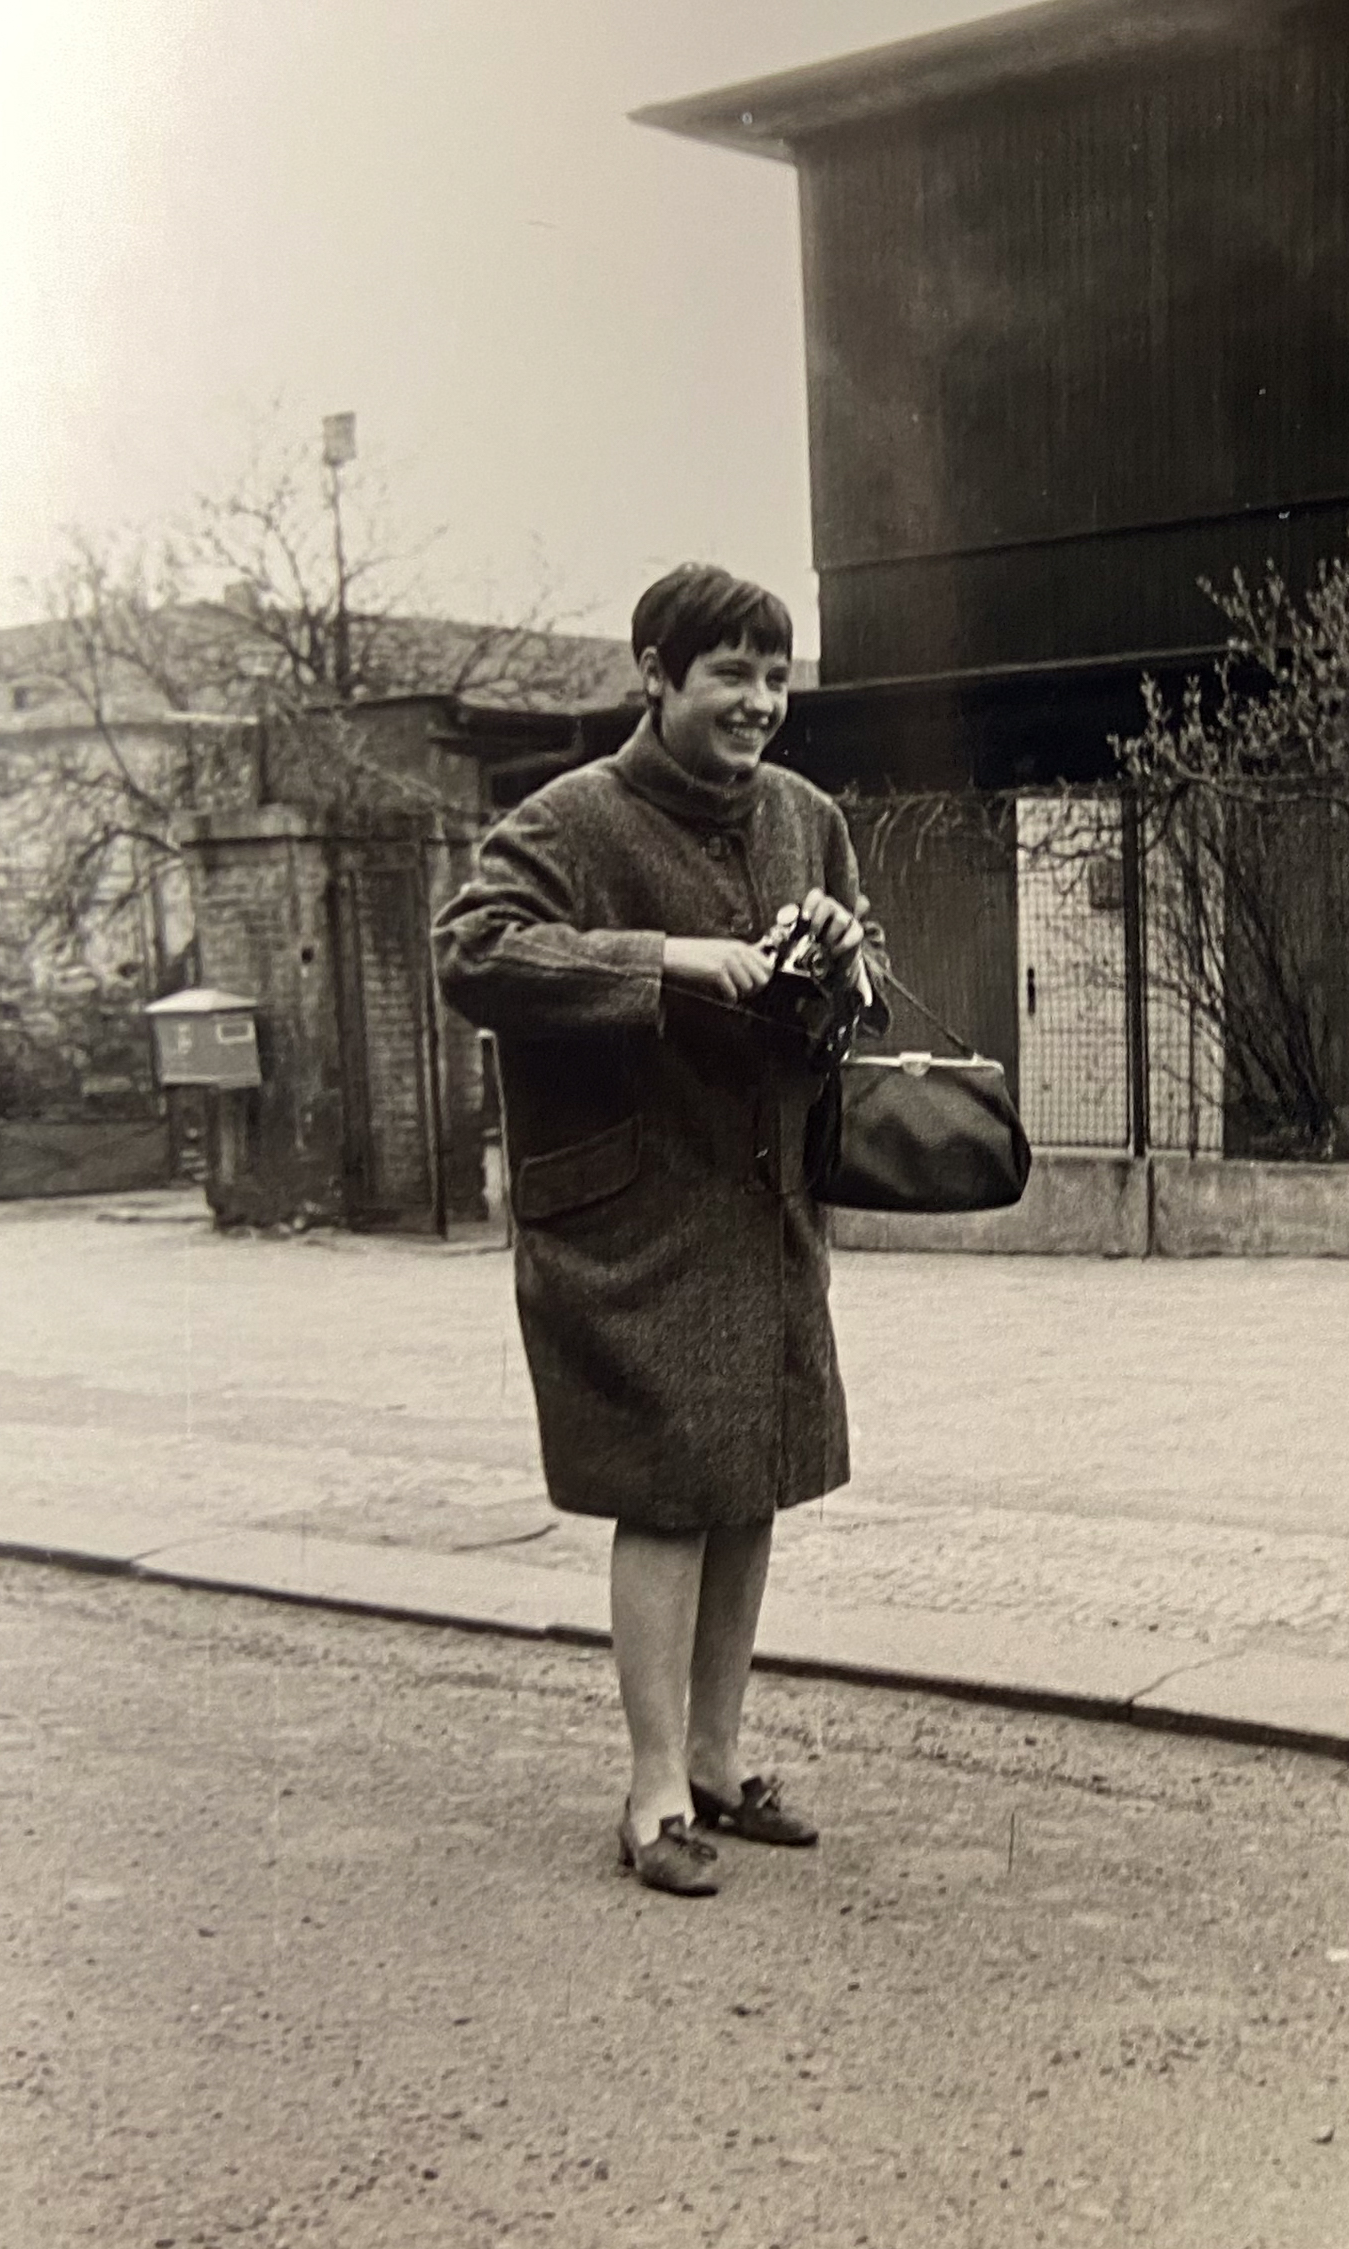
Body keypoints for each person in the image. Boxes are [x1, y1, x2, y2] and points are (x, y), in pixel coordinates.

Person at [432, 563, 886, 1897]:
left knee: (752, 1487)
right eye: (730, 674)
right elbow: (472, 952)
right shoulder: (569, 819)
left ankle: (716, 1762)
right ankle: (649, 1799)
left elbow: (855, 996)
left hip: (764, 1206)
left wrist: (843, 958)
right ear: (655, 675)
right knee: (670, 1496)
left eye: (775, 678)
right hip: (632, 1221)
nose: (760, 702)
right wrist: (661, 957)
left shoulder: (805, 817)